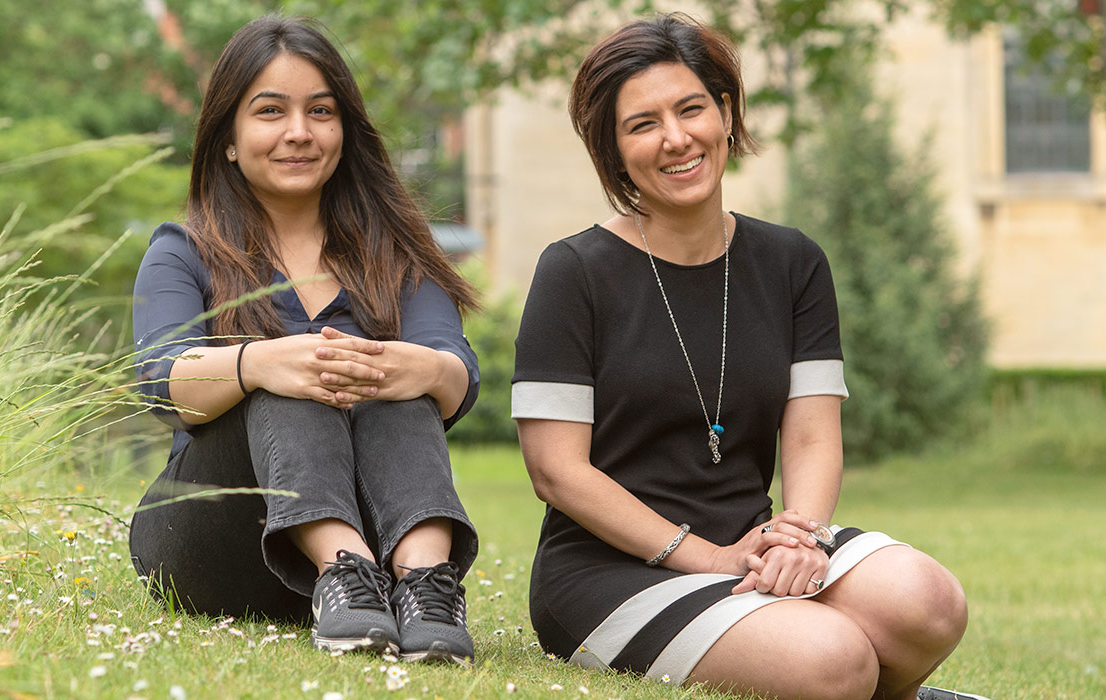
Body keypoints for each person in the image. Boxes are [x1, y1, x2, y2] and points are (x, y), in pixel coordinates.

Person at [511, 13, 985, 700]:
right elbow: (557, 472)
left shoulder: (792, 262)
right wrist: (710, 559)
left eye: (691, 108)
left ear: (727, 113)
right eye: (642, 124)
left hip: (755, 543)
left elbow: (814, 432)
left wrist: (800, 538)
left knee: (929, 603)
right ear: (613, 151)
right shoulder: (573, 270)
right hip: (608, 573)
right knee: (836, 662)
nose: (676, 138)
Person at [127, 15, 481, 666]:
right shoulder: (183, 251)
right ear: (228, 138)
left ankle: (427, 586)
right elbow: (159, 378)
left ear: (344, 130)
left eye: (320, 111)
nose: (299, 132)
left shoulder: (398, 256)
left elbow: (457, 373)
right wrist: (261, 362)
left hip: (385, 556)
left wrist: (410, 369)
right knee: (288, 368)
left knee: (401, 372)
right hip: (214, 540)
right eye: (270, 111)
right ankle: (336, 567)